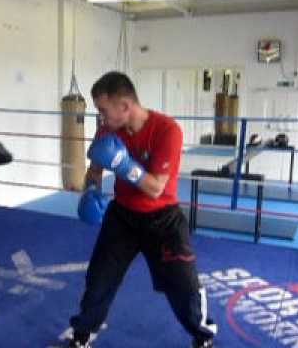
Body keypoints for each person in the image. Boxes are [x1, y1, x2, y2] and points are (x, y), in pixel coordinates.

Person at [71, 71, 217, 348]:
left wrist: (125, 165)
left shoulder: (167, 130)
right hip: (123, 216)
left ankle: (203, 336)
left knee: (184, 286)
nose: (101, 117)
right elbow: (95, 170)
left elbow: (156, 188)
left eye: (103, 110)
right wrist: (90, 189)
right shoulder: (107, 130)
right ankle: (80, 338)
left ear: (125, 106)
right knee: (98, 280)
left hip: (163, 219)